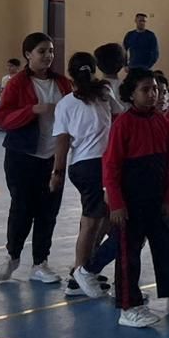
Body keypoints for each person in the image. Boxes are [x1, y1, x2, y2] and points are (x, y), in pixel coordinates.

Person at [104, 68, 169, 329]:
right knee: (129, 254)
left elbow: (168, 165)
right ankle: (128, 306)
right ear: (131, 94)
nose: (153, 94)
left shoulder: (162, 121)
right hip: (130, 200)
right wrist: (116, 203)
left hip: (157, 198)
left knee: (166, 248)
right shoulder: (122, 125)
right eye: (146, 90)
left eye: (156, 90)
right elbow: (111, 167)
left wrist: (168, 198)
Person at [0, 32, 71, 285]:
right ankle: (12, 256)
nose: (48, 56)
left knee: (48, 211)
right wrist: (33, 110)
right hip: (22, 156)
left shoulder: (63, 83)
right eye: (41, 51)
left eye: (50, 51)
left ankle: (40, 263)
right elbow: (3, 118)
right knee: (22, 208)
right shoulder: (17, 83)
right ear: (28, 54)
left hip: (53, 157)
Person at [52, 53, 115, 299]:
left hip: (85, 166)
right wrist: (56, 173)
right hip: (94, 166)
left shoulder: (74, 101)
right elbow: (63, 140)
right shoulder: (102, 94)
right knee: (92, 220)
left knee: (104, 217)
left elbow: (62, 142)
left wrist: (57, 172)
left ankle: (89, 265)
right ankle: (78, 276)